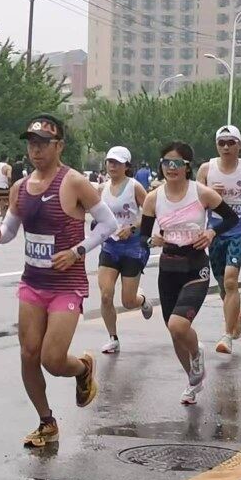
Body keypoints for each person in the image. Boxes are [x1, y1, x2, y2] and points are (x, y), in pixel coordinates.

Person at [0, 115, 118, 448]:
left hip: (66, 283)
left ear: (59, 145)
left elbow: (108, 224)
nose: (36, 150)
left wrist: (77, 251)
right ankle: (46, 422)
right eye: (32, 143)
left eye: (43, 143)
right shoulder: (20, 188)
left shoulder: (73, 182)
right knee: (29, 354)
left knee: (52, 358)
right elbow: (10, 230)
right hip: (32, 282)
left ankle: (82, 369)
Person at [140, 141, 239, 405]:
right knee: (174, 333)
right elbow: (142, 239)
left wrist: (211, 232)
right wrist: (154, 241)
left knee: (178, 325)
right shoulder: (153, 198)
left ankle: (197, 354)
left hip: (196, 266)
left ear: (187, 167)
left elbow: (231, 218)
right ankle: (193, 381)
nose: (171, 168)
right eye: (166, 163)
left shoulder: (201, 193)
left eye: (177, 164)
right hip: (169, 268)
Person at [196, 126, 241, 356]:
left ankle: (227, 336)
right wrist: (207, 191)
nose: (226, 147)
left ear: (239, 145)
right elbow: (195, 198)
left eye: (231, 142)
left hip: (238, 229)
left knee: (230, 281)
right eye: (222, 143)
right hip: (214, 231)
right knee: (222, 283)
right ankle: (237, 314)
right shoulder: (207, 169)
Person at [97, 146, 153, 354]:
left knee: (128, 302)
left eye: (117, 163)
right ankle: (113, 338)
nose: (112, 166)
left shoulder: (134, 187)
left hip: (132, 248)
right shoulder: (100, 188)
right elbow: (90, 210)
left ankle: (142, 300)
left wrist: (132, 228)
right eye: (110, 162)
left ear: (126, 166)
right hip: (110, 247)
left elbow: (149, 212)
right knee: (105, 295)